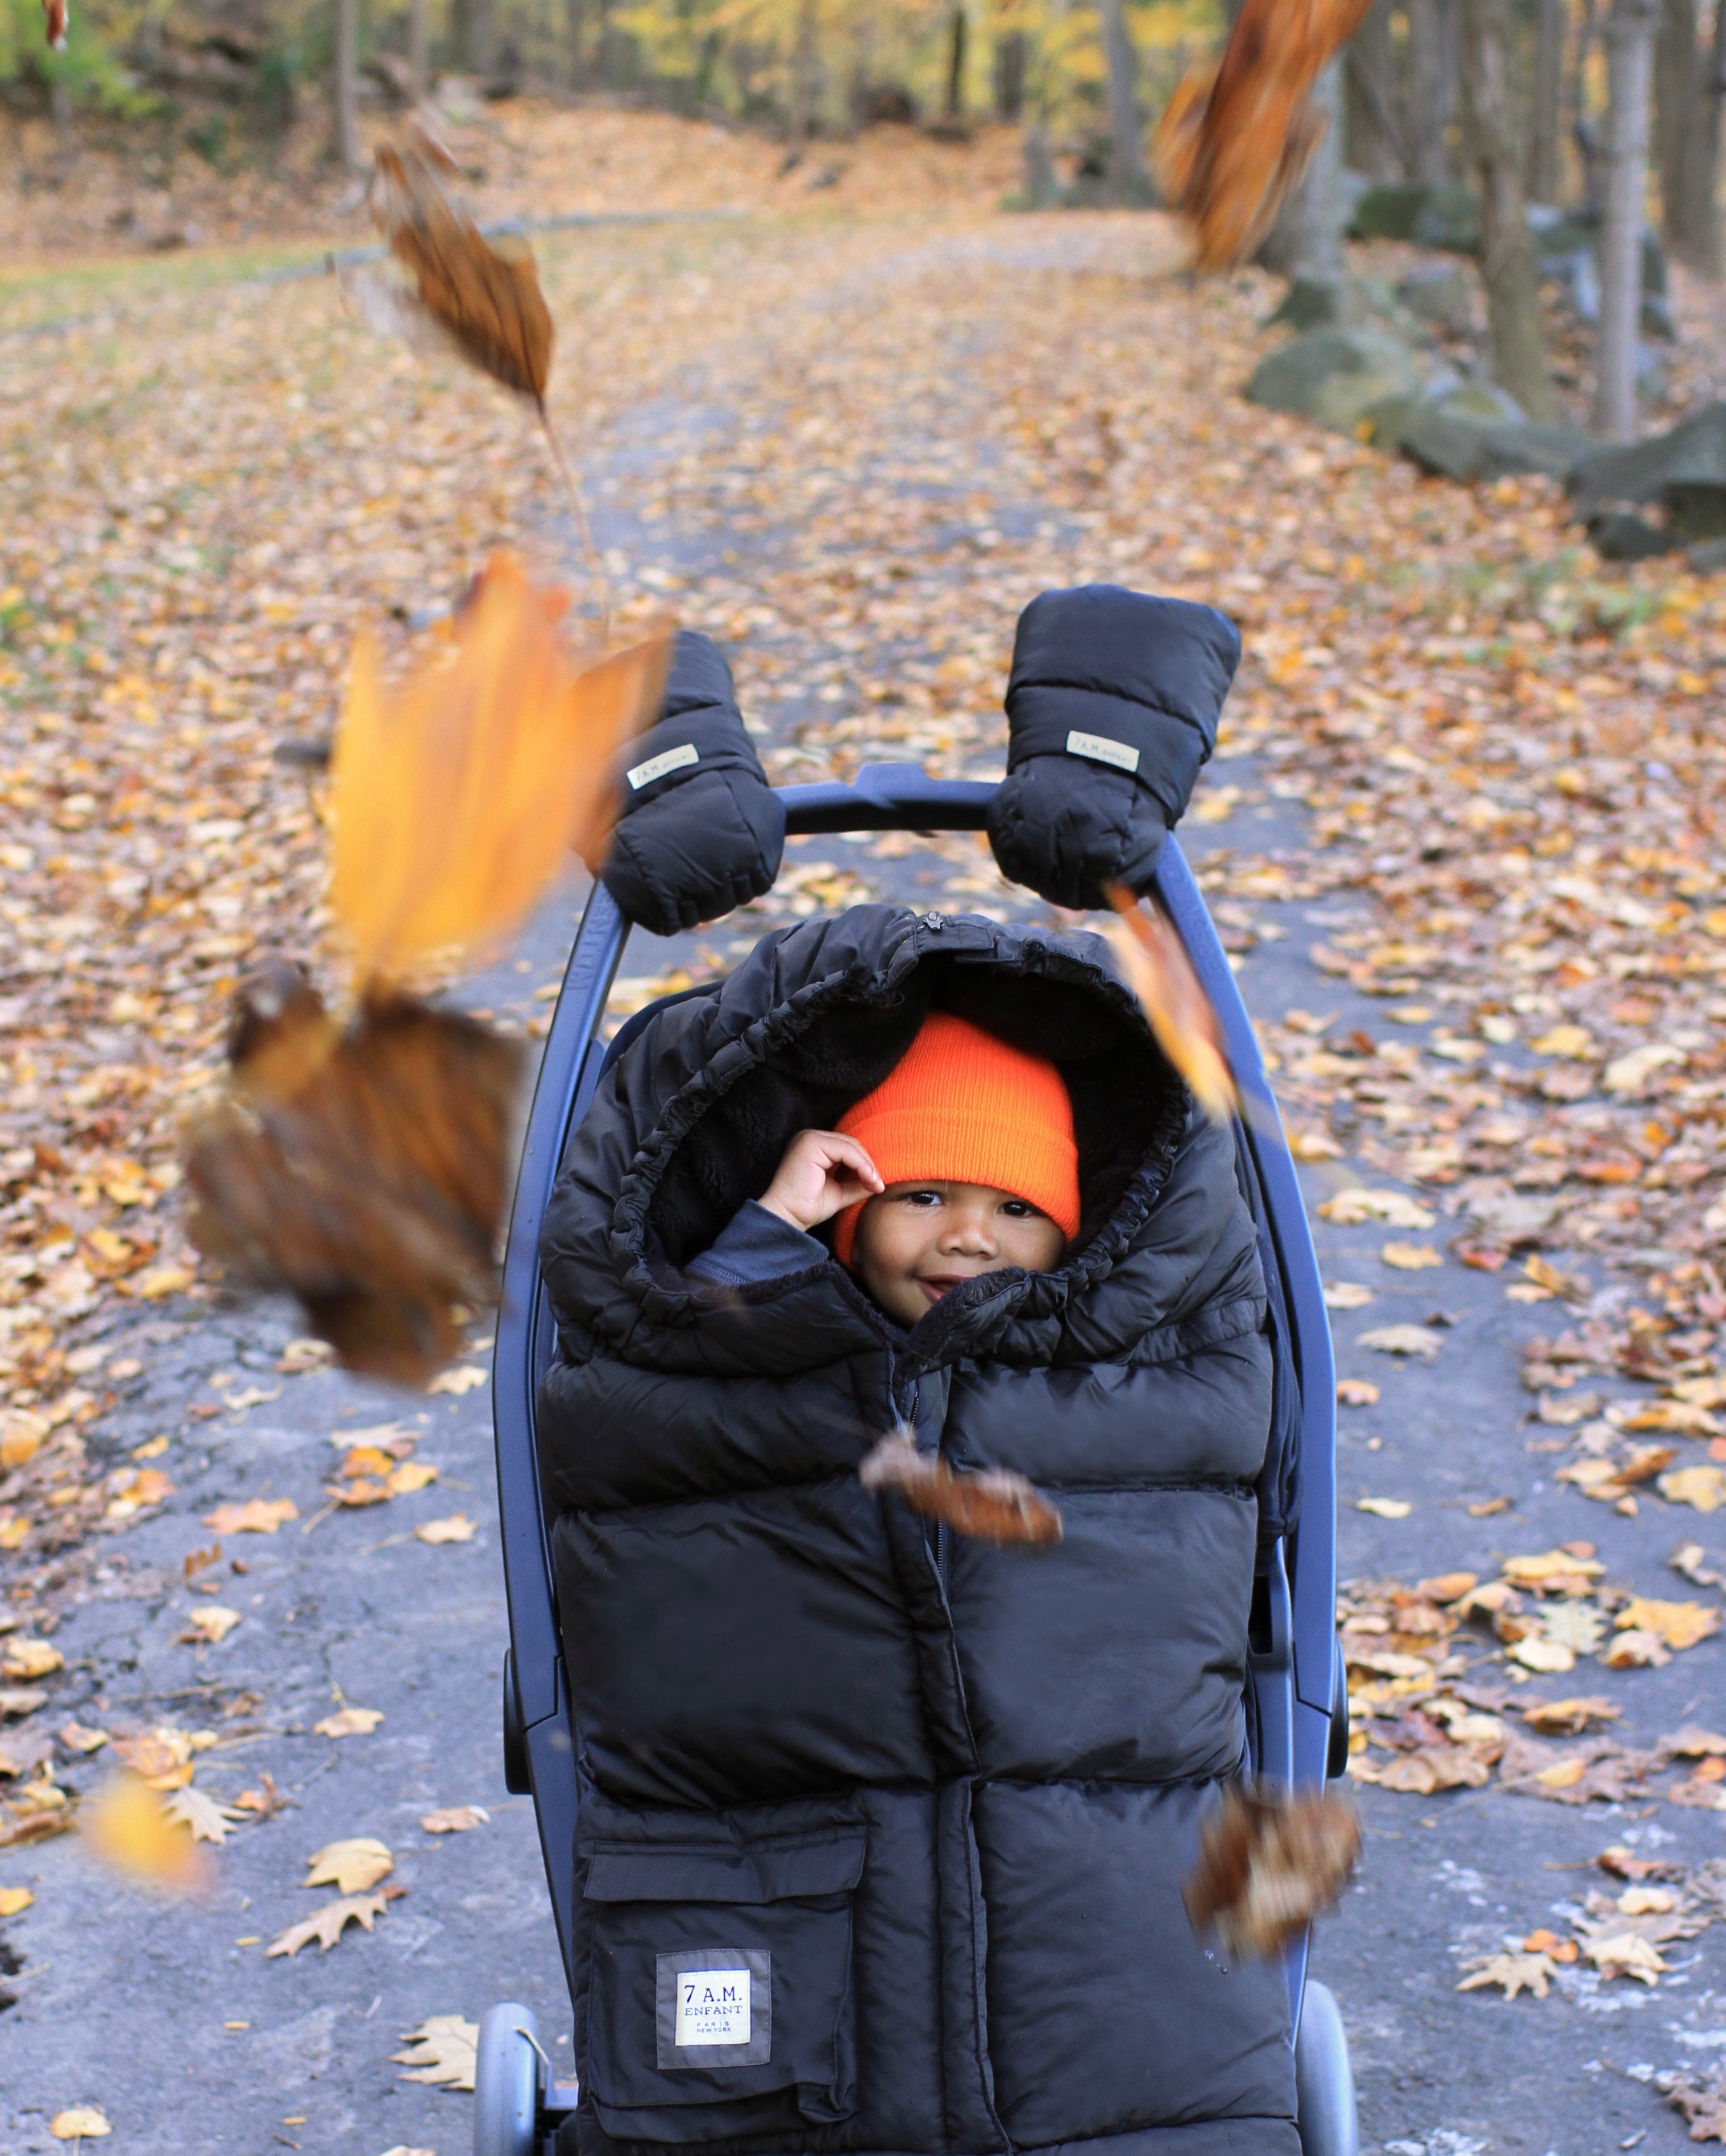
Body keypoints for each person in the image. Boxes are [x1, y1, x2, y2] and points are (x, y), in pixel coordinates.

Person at [538, 904, 1295, 2156]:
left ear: (1076, 1228)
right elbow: (649, 1396)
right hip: (785, 1851)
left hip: (1102, 1907)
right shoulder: (750, 1340)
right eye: (924, 1190)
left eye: (1014, 1205)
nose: (966, 1235)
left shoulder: (1124, 1369)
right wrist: (768, 1241)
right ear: (849, 1201)